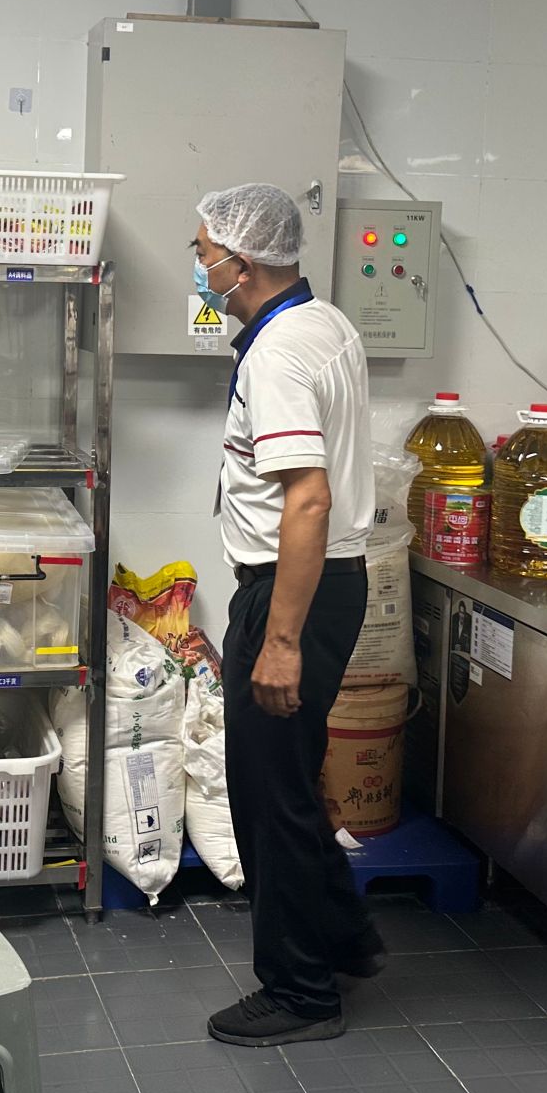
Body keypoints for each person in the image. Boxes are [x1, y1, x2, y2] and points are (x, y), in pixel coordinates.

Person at [192, 183, 381, 1047]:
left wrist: (278, 641)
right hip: (322, 582)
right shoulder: (322, 323)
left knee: (268, 796)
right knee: (288, 780)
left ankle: (301, 993)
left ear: (243, 263)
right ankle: (343, 939)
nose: (199, 267)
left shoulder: (278, 354)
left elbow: (307, 499)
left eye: (204, 253)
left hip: (293, 589)